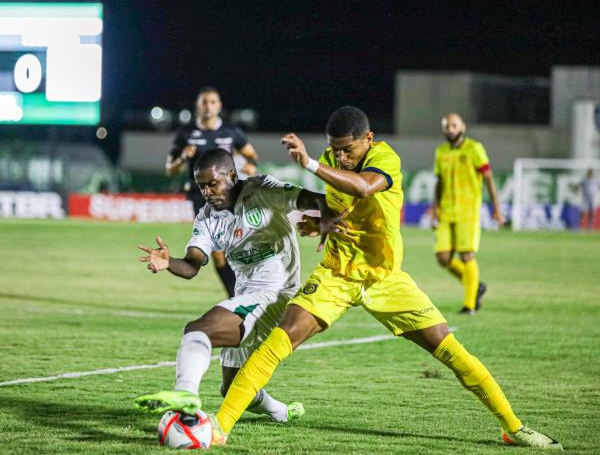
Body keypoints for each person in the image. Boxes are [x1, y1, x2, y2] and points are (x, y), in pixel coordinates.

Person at [207, 106, 563, 450]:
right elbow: (340, 201)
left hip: (385, 278)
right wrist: (322, 221)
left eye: (348, 150)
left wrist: (311, 163)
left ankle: (513, 427)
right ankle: (219, 428)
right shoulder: (331, 160)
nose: (341, 157)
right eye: (334, 150)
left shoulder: (385, 159)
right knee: (279, 340)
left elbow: (363, 188)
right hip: (337, 273)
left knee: (451, 351)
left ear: (368, 139)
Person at [134, 148, 333, 424]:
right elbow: (192, 266)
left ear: (232, 176)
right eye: (201, 186)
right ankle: (282, 413)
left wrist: (325, 219)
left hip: (277, 294)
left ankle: (185, 393)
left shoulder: (262, 190)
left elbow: (315, 198)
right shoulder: (207, 218)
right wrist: (169, 263)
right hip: (247, 295)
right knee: (231, 388)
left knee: (197, 329)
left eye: (212, 184)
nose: (206, 192)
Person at [166, 87, 259, 298]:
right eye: (204, 102)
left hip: (230, 196)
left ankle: (243, 296)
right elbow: (169, 169)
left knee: (235, 248)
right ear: (197, 106)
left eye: (212, 102)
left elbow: (252, 156)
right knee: (219, 254)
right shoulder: (187, 133)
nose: (208, 106)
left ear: (219, 106)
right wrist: (182, 157)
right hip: (202, 197)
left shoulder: (230, 131)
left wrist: (248, 165)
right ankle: (237, 298)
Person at [432, 113, 504, 314]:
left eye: (454, 125)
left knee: (466, 255)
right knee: (442, 258)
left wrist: (496, 209)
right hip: (446, 211)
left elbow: (488, 178)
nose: (450, 129)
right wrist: (435, 209)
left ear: (462, 127)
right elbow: (439, 182)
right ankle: (475, 285)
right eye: (447, 126)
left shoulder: (474, 149)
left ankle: (469, 305)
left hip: (468, 212)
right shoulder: (441, 152)